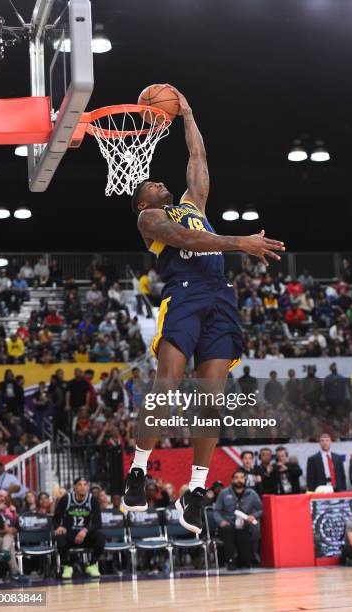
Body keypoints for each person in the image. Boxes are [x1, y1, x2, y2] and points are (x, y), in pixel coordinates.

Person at [123, 87, 285, 534]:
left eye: (159, 180)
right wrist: (240, 242)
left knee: (211, 400)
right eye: (150, 184)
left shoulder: (192, 204)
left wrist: (189, 113)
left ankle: (194, 491)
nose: (159, 181)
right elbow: (192, 241)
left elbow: (199, 160)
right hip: (187, 293)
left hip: (221, 296)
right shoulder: (150, 221)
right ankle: (138, 470)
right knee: (168, 384)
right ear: (142, 202)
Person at [53, 477, 106, 579]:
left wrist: (85, 530)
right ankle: (67, 566)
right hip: (70, 535)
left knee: (101, 536)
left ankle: (92, 564)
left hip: (85, 536)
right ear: (74, 487)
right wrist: (58, 527)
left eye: (85, 485)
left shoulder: (92, 500)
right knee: (60, 537)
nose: (82, 487)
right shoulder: (66, 499)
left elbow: (98, 523)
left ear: (88, 487)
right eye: (79, 485)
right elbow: (55, 519)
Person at [213, 469, 263, 570]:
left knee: (246, 563)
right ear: (232, 480)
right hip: (228, 524)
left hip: (244, 524)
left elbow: (260, 509)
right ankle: (231, 561)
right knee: (227, 531)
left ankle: (249, 558)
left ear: (245, 480)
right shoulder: (224, 493)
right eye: (236, 478)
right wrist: (221, 521)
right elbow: (216, 511)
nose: (239, 480)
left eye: (241, 478)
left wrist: (253, 516)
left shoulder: (252, 493)